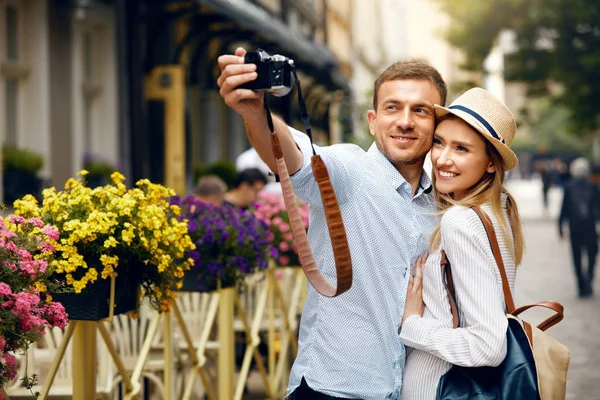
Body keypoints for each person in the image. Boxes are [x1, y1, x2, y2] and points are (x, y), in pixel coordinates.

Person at [218, 47, 446, 399]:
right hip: (333, 388)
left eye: (420, 111)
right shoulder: (350, 170)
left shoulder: (442, 202)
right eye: (392, 107)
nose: (405, 120)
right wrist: (256, 114)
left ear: (437, 125)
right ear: (372, 121)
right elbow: (296, 157)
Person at [400, 88, 525, 399]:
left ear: (491, 164)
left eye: (462, 149)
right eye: (439, 143)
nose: (442, 158)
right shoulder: (500, 212)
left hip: (439, 386)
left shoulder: (461, 221)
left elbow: (488, 346)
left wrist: (413, 323)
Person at [558, 157, 600, 298]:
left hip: (575, 227)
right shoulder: (593, 186)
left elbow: (564, 209)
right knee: (592, 255)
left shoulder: (569, 186)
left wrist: (560, 229)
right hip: (590, 227)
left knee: (576, 257)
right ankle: (588, 281)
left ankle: (581, 285)